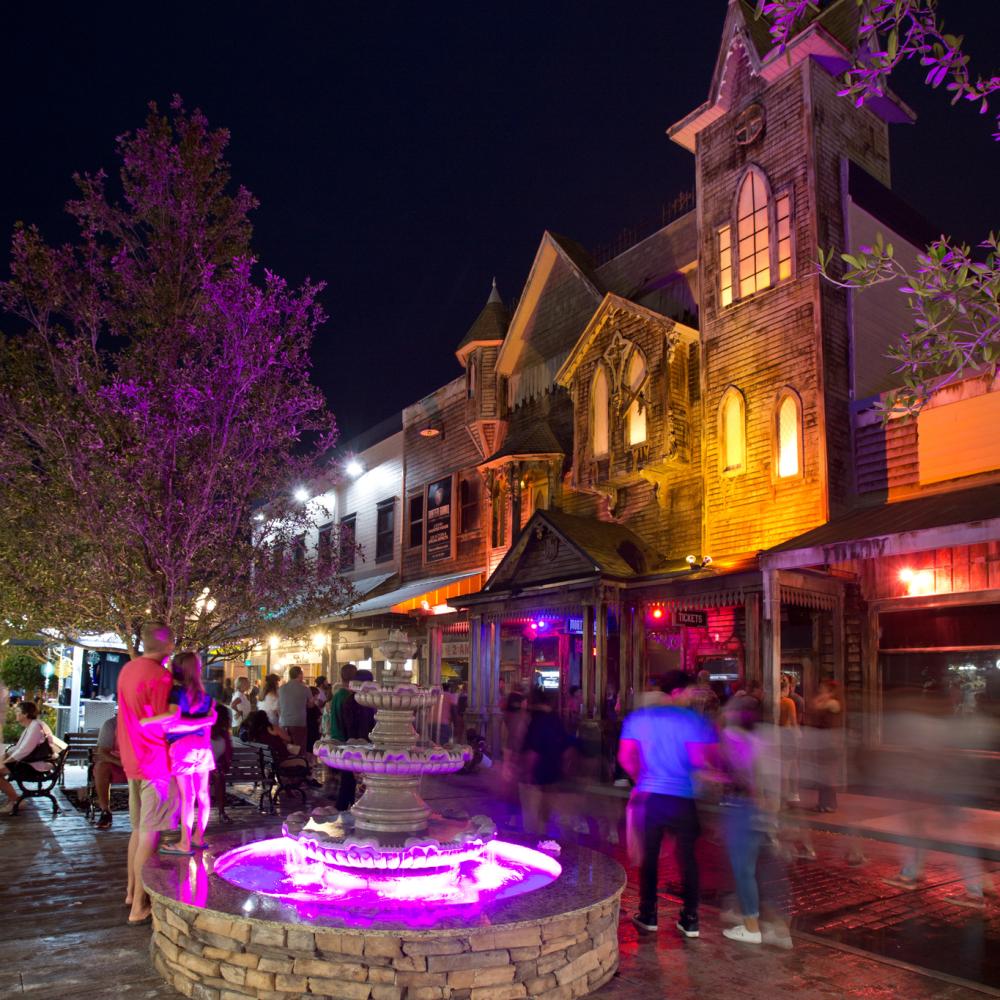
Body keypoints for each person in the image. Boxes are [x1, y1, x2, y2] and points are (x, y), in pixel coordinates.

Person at [618, 670, 718, 939]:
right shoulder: (693, 721)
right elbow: (701, 759)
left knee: (649, 858)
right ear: (675, 692)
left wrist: (643, 777)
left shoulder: (639, 719)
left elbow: (625, 756)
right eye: (689, 692)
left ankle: (648, 913)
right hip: (683, 797)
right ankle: (690, 918)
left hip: (651, 796)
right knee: (687, 859)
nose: (692, 697)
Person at [117, 621, 181, 925]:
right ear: (169, 645)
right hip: (155, 762)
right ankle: (139, 907)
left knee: (137, 831)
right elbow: (161, 720)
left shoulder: (127, 670)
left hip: (131, 758)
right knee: (149, 835)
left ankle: (131, 892)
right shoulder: (162, 677)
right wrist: (176, 713)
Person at [718, 701, 790, 947]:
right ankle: (777, 928)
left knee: (744, 869)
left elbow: (747, 776)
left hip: (747, 810)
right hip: (766, 813)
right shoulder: (770, 738)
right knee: (765, 870)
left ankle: (751, 927)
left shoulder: (742, 740)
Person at [141, 651, 217, 855]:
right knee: (203, 794)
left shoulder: (176, 692)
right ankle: (198, 837)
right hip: (203, 747)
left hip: (182, 747)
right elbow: (209, 726)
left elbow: (172, 720)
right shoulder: (207, 698)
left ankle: (184, 842)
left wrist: (148, 722)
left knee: (187, 796)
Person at [519, 687, 567, 837]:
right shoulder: (556, 718)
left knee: (531, 821)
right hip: (553, 775)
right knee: (544, 820)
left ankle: (533, 847)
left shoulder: (536, 721)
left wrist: (526, 773)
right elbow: (565, 746)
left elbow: (532, 750)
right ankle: (545, 843)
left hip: (536, 778)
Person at [0, 701, 61, 814]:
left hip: (35, 765)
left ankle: (16, 800)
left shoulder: (35, 727)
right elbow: (20, 748)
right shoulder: (33, 725)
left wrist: (6, 761)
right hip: (30, 762)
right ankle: (12, 799)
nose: (16, 714)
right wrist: (5, 757)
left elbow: (24, 751)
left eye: (18, 712)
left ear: (25, 714)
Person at [335, 668, 376, 812]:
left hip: (350, 742)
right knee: (359, 781)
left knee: (347, 780)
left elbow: (343, 723)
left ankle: (343, 807)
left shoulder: (349, 700)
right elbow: (366, 724)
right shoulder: (365, 701)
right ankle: (358, 808)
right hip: (363, 743)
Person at [811, 679, 843, 812]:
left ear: (830, 691)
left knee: (829, 775)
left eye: (823, 689)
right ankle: (823, 803)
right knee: (822, 775)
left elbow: (815, 706)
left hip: (831, 743)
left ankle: (830, 804)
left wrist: (823, 696)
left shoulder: (834, 703)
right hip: (823, 742)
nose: (820, 691)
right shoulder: (828, 701)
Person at [93, 713, 127, 829]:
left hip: (139, 762)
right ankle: (105, 811)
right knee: (102, 767)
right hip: (116, 762)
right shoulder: (111, 724)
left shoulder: (145, 721)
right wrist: (120, 762)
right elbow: (102, 752)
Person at [278, 665, 311, 752]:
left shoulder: (281, 689)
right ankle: (299, 764)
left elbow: (278, 707)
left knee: (286, 749)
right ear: (299, 675)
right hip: (299, 722)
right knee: (299, 748)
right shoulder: (305, 689)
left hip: (284, 722)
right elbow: (311, 704)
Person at [210, 704, 233, 825]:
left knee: (219, 776)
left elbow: (227, 755)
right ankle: (221, 812)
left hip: (216, 767)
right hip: (200, 766)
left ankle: (221, 812)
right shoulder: (206, 731)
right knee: (218, 775)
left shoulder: (224, 735)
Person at [328, 663, 358, 741]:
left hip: (336, 736)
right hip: (345, 739)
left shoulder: (337, 695)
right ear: (355, 677)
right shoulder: (348, 696)